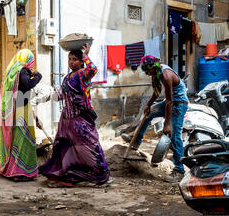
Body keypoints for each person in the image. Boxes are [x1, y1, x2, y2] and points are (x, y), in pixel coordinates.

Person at [39, 44, 111, 188]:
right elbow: (60, 94)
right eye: (69, 59)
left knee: (88, 146)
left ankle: (100, 176)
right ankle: (66, 174)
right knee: (65, 148)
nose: (71, 62)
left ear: (81, 62)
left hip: (81, 120)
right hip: (66, 120)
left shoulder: (82, 74)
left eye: (75, 59)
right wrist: (47, 94)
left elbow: (93, 69)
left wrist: (86, 55)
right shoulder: (67, 77)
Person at [122, 55, 189, 183]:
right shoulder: (156, 73)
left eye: (148, 71)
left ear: (153, 67)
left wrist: (167, 124)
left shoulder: (166, 75)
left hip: (178, 104)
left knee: (174, 136)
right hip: (170, 102)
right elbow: (157, 91)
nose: (147, 74)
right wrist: (148, 104)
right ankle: (136, 140)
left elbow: (170, 102)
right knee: (148, 113)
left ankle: (179, 171)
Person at [0, 49, 42, 181]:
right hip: (21, 110)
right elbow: (28, 84)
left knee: (17, 139)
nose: (32, 63)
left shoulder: (11, 71)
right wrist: (38, 76)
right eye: (31, 60)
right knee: (23, 140)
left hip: (15, 108)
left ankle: (13, 169)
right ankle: (18, 172)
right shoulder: (21, 71)